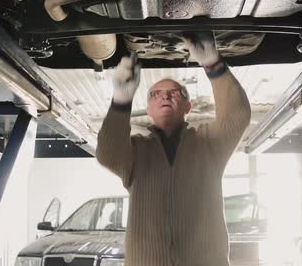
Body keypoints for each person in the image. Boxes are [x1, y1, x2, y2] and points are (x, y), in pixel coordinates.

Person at [96, 32, 251, 266]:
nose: (164, 97)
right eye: (155, 94)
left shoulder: (208, 144)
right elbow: (108, 154)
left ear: (187, 106)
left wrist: (213, 64)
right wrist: (121, 101)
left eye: (174, 93)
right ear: (148, 108)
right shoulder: (137, 152)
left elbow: (237, 117)